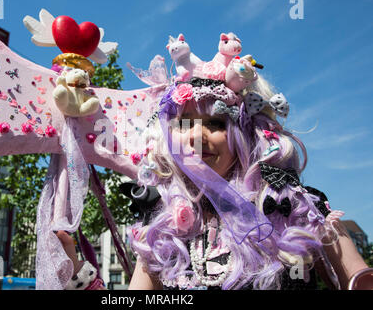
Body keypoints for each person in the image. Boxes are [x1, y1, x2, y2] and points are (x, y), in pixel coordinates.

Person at [55, 69, 372, 291]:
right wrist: (77, 276)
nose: (196, 135)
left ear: (243, 133)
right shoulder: (163, 228)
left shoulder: (297, 204)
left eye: (215, 123)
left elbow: (359, 279)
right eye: (184, 124)